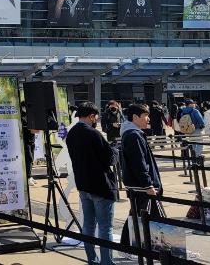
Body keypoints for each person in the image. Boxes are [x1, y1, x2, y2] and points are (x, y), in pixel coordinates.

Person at [66, 103, 117, 265]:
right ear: (91, 116)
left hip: (83, 184)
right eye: (95, 117)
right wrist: (115, 150)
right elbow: (110, 159)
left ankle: (92, 260)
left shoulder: (72, 133)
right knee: (105, 228)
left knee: (88, 226)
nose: (96, 120)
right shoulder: (94, 133)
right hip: (100, 185)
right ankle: (107, 262)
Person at [120, 103, 165, 248]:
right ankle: (135, 246)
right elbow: (139, 163)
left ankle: (134, 246)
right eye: (145, 116)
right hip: (141, 186)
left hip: (137, 184)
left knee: (138, 215)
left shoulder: (131, 133)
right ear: (135, 117)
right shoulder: (134, 135)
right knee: (141, 215)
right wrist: (148, 184)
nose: (148, 119)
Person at [21, 101, 37, 186]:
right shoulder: (21, 117)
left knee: (31, 159)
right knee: (29, 158)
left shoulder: (29, 116)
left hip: (32, 140)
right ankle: (27, 177)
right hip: (25, 141)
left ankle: (30, 176)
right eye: (25, 107)